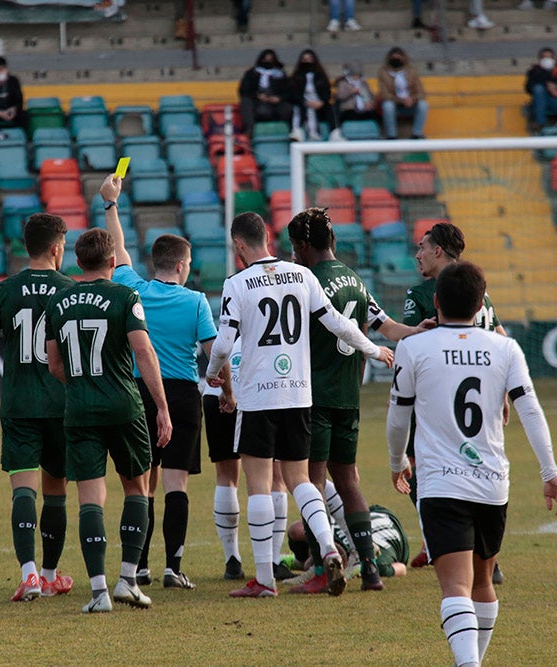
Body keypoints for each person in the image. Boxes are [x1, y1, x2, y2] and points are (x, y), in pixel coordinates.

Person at [388, 260, 557, 667]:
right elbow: (531, 410)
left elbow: (398, 414)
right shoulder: (505, 348)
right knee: (483, 584)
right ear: (481, 304)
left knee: (455, 586)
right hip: (492, 483)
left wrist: (397, 460)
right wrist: (549, 471)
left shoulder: (413, 348)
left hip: (441, 483)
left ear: (435, 303)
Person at [204, 211, 394, 598]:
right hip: (298, 395)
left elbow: (224, 343)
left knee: (258, 484)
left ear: (239, 245)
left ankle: (263, 580)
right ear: (268, 238)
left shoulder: (238, 283)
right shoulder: (303, 276)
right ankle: (327, 550)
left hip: (259, 395)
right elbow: (339, 323)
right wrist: (374, 350)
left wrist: (213, 372)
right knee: (302, 480)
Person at [286, 207, 429, 593]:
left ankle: (320, 568)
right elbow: (387, 326)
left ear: (301, 245)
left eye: (293, 246)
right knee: (347, 480)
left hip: (312, 394)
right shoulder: (354, 279)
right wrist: (416, 330)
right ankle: (368, 569)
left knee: (312, 481)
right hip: (349, 395)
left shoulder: (304, 281)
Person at [44, 227, 173, 614]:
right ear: (113, 262)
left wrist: (83, 385)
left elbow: (53, 365)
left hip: (79, 409)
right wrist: (163, 407)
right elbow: (144, 352)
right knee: (137, 487)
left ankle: (99, 592)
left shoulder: (59, 300)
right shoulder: (125, 295)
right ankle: (128, 580)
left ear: (77, 262)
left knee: (89, 498)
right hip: (123, 406)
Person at [100, 174, 220, 590]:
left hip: (139, 392)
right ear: (183, 266)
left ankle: (142, 566)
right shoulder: (196, 302)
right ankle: (174, 567)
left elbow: (117, 251)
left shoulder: (134, 289)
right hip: (183, 395)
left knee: (143, 483)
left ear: (153, 264)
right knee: (177, 483)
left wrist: (111, 204)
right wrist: (224, 383)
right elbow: (212, 353)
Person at [0, 212, 76, 602]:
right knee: (57, 490)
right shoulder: (70, 290)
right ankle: (49, 575)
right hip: (62, 405)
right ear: (55, 247)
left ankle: (28, 575)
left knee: (23, 491)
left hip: (19, 405)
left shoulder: (4, 291)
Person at [402, 222, 508, 579]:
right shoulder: (480, 289)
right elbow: (500, 335)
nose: (417, 254)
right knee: (475, 465)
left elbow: (410, 345)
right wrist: (503, 389)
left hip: (436, 398)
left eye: (422, 247)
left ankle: (441, 542)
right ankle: (483, 555)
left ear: (438, 252)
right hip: (479, 399)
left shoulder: (421, 294)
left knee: (424, 466)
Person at [202, 335, 243, 579]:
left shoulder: (234, 301)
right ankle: (270, 560)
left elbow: (220, 346)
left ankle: (232, 559)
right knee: (274, 477)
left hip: (214, 390)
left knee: (226, 476)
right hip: (261, 391)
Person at [286, 501, 410, 578]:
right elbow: (296, 530)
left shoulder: (376, 563)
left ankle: (299, 561)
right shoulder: (331, 535)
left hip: (388, 523)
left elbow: (402, 568)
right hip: (369, 515)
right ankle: (299, 560)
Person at [378, 47, 428, 140]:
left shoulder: (412, 71)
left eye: (399, 57)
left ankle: (416, 134)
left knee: (423, 105)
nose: (396, 60)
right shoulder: (383, 72)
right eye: (394, 58)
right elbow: (384, 94)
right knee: (387, 106)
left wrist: (412, 99)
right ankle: (391, 136)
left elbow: (421, 93)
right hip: (395, 104)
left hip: (410, 104)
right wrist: (401, 100)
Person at [287, 49, 337, 142]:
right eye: (305, 59)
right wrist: (305, 102)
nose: (307, 62)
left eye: (309, 59)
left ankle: (334, 133)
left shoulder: (321, 76)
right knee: (297, 109)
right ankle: (297, 132)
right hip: (303, 104)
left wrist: (321, 102)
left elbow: (327, 92)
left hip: (319, 105)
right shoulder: (296, 77)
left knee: (331, 108)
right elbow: (293, 94)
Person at [238, 49, 291, 136]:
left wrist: (279, 98)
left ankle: (289, 132)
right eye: (265, 59)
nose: (268, 62)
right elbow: (243, 90)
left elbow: (289, 92)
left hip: (275, 105)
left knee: (288, 107)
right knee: (245, 102)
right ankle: (249, 130)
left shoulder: (281, 75)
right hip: (257, 104)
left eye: (271, 60)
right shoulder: (251, 73)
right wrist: (258, 96)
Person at [524, 48, 557, 132]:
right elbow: (528, 88)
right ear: (540, 59)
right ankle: (540, 123)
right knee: (539, 90)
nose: (547, 60)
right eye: (544, 58)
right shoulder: (534, 71)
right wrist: (548, 88)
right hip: (540, 102)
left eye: (550, 57)